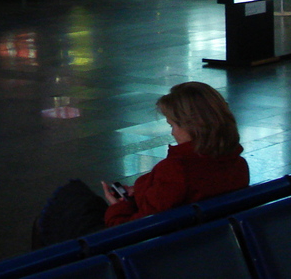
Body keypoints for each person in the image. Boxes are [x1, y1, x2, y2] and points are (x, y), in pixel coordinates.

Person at [32, 81, 248, 246]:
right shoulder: (236, 163)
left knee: (66, 203)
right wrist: (142, 191)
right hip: (203, 240)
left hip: (150, 246)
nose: (172, 132)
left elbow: (137, 228)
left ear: (193, 127)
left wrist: (119, 207)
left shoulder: (177, 169)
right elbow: (177, 197)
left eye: (173, 124)